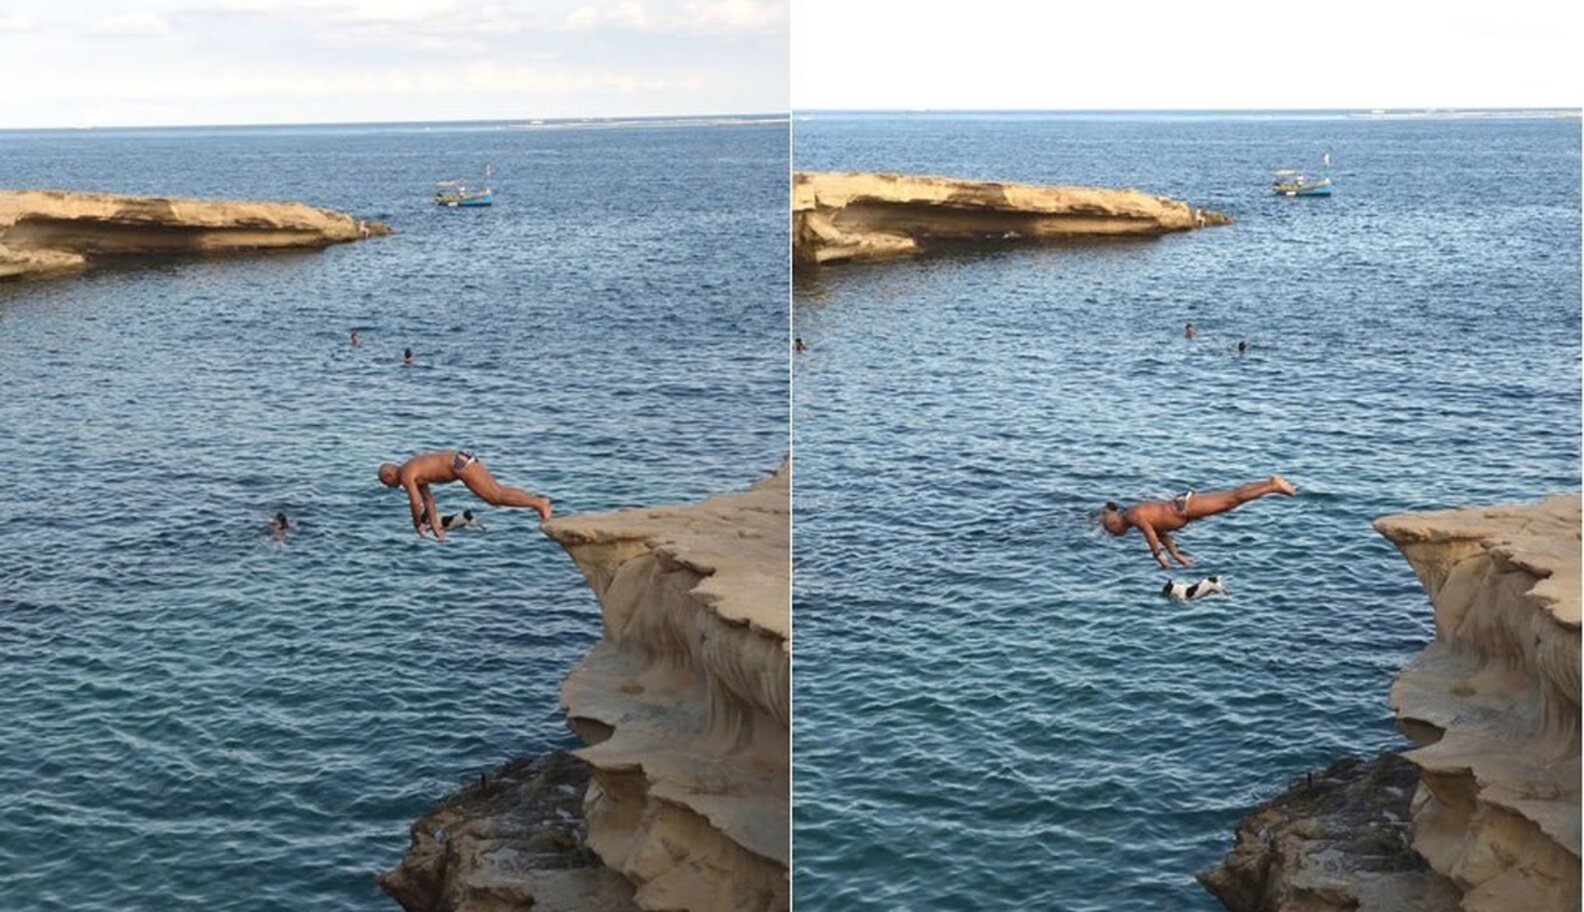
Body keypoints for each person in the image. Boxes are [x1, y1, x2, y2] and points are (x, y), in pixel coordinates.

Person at [1100, 475, 1297, 568]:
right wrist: (1176, 555)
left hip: (1185, 508)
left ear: (1115, 524)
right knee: (1230, 501)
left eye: (1111, 531)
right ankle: (1269, 484)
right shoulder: (1136, 517)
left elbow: (1150, 535)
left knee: (1232, 498)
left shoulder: (1132, 515)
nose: (1114, 534)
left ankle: (1272, 485)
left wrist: (1158, 555)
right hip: (1185, 509)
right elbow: (1162, 534)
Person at [378, 450, 551, 539]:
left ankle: (539, 503)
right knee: (497, 493)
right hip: (462, 458)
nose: (392, 487)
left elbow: (416, 503)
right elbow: (428, 501)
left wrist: (416, 523)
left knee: (495, 496)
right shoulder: (415, 472)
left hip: (458, 465)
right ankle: (537, 502)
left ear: (390, 475)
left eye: (388, 484)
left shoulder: (406, 474)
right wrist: (436, 528)